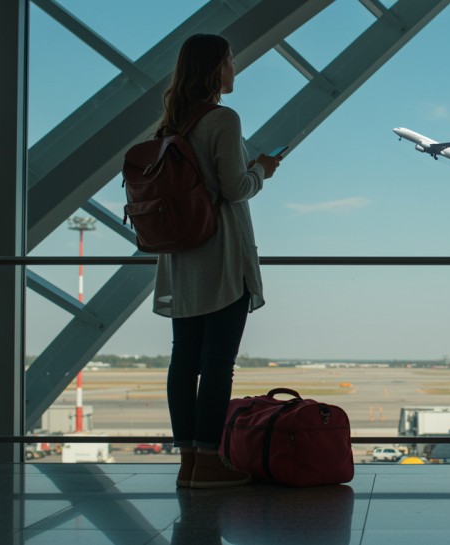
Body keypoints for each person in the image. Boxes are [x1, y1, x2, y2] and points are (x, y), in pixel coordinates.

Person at [152, 33, 280, 488]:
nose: (234, 69)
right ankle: (209, 461)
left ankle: (188, 462)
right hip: (222, 255)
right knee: (218, 363)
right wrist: (262, 169)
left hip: (182, 258)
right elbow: (234, 188)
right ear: (214, 69)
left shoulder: (171, 125)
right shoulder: (223, 119)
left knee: (184, 361)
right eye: (229, 61)